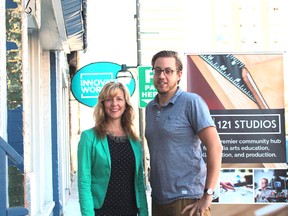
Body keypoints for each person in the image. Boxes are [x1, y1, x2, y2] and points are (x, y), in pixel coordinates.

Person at [145, 50, 223, 216]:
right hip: (159, 199)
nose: (162, 76)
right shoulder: (150, 108)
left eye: (168, 71)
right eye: (158, 70)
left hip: (188, 199)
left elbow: (215, 147)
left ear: (179, 74)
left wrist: (207, 196)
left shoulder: (191, 102)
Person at [78, 81, 148, 216]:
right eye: (109, 100)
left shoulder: (134, 140)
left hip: (130, 211)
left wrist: (144, 213)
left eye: (119, 99)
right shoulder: (89, 138)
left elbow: (139, 182)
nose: (114, 104)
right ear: (103, 104)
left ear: (126, 104)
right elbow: (84, 182)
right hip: (102, 211)